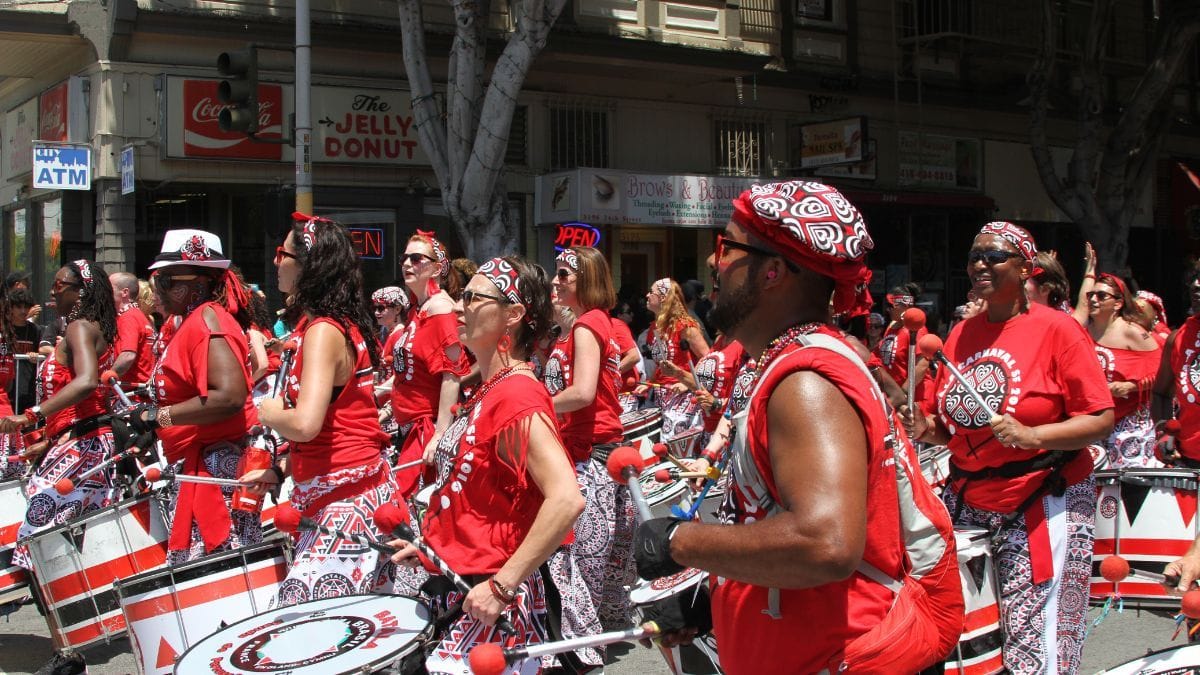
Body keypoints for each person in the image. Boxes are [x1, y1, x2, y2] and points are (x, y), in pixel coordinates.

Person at [632, 181, 943, 673]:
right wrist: (717, 597)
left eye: (727, 247)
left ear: (772, 271)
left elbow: (825, 543)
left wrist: (679, 542)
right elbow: (780, 527)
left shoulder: (805, 382)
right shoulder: (791, 364)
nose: (715, 264)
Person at [908, 221, 1113, 674]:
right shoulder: (961, 334)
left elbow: (1101, 418)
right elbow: (957, 428)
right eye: (974, 255)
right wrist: (926, 428)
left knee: (1032, 640)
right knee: (974, 638)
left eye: (994, 255)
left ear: (1024, 268)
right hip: (969, 502)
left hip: (1043, 499)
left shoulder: (1057, 330)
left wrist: (1033, 436)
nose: (980, 263)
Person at [389, 256, 584, 674]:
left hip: (493, 602)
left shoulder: (516, 394)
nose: (458, 307)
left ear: (512, 314)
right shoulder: (490, 388)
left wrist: (501, 585)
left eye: (473, 297)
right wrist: (429, 549)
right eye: (461, 296)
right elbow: (484, 498)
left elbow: (566, 498)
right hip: (462, 585)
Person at [245, 213, 402, 605]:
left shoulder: (323, 332)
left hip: (346, 500)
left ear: (310, 266)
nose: (276, 261)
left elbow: (306, 423)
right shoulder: (324, 326)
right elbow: (333, 418)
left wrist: (269, 412)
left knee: (311, 630)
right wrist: (281, 468)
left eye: (284, 253)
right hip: (341, 491)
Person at [0, 260, 118, 675]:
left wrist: (31, 415)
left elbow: (86, 383)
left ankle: (69, 652)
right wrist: (48, 439)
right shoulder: (82, 326)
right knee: (49, 547)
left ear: (80, 290)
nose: (52, 293)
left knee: (39, 542)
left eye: (60, 285)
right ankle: (68, 648)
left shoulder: (79, 327)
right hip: (74, 444)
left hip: (85, 449)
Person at [133, 230, 261, 564]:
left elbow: (228, 397)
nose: (157, 288)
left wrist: (157, 418)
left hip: (214, 472)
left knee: (222, 576)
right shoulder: (191, 322)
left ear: (197, 283)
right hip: (196, 468)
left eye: (165, 279)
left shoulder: (208, 320)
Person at [546, 246, 629, 645]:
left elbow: (580, 392)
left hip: (590, 452)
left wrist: (533, 405)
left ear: (587, 281)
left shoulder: (586, 325)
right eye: (556, 273)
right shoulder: (594, 322)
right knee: (592, 558)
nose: (556, 280)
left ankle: (579, 648)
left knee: (578, 559)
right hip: (600, 450)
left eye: (565, 274)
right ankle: (587, 643)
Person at [389, 231, 467, 498]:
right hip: (409, 429)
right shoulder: (419, 310)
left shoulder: (440, 309)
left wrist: (440, 435)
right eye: (404, 258)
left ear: (438, 268)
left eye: (417, 258)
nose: (407, 264)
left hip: (427, 430)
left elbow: (451, 374)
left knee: (406, 514)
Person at [1073, 268, 1161, 468]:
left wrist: (1130, 386)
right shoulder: (1083, 330)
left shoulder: (1133, 333)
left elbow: (1163, 375)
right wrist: (1088, 274)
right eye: (1091, 295)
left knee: (1128, 490)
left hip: (1129, 429)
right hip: (1094, 422)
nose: (1093, 299)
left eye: (1101, 295)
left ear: (1118, 303)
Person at [637, 278, 709, 440]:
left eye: (652, 292)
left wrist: (685, 382)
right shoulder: (654, 328)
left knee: (672, 442)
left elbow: (709, 359)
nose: (647, 295)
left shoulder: (684, 326)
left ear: (663, 297)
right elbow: (663, 365)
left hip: (685, 396)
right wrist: (649, 384)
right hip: (662, 396)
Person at [1152, 260, 1200, 466]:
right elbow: (1161, 393)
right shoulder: (1178, 338)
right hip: (1189, 462)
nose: (1196, 284)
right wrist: (1163, 434)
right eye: (1194, 278)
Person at [109, 271, 157, 393]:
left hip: (133, 394)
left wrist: (107, 379)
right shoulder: (136, 314)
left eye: (109, 288)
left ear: (124, 292)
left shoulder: (128, 317)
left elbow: (128, 355)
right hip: (138, 392)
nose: (104, 292)